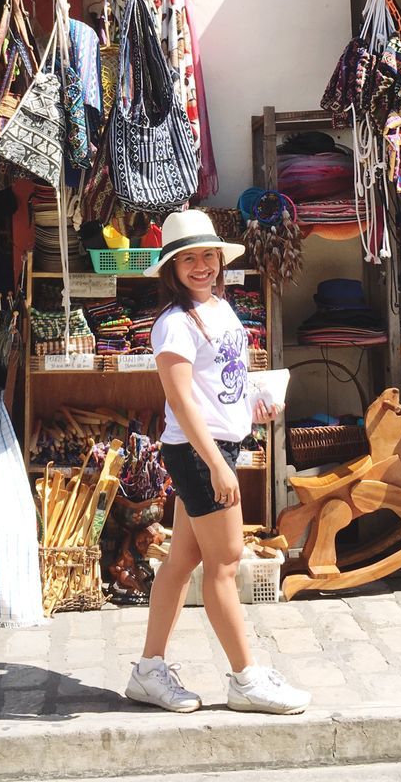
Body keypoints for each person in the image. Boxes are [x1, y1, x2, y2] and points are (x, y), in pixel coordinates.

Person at [126, 209, 311, 715]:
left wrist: (255, 398)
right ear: (171, 267)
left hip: (214, 448)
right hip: (197, 451)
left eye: (209, 255)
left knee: (183, 560)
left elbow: (226, 379)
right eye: (189, 259)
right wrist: (216, 464)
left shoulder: (221, 309)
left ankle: (148, 671)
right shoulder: (174, 325)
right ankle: (246, 679)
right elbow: (182, 403)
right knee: (225, 565)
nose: (202, 266)